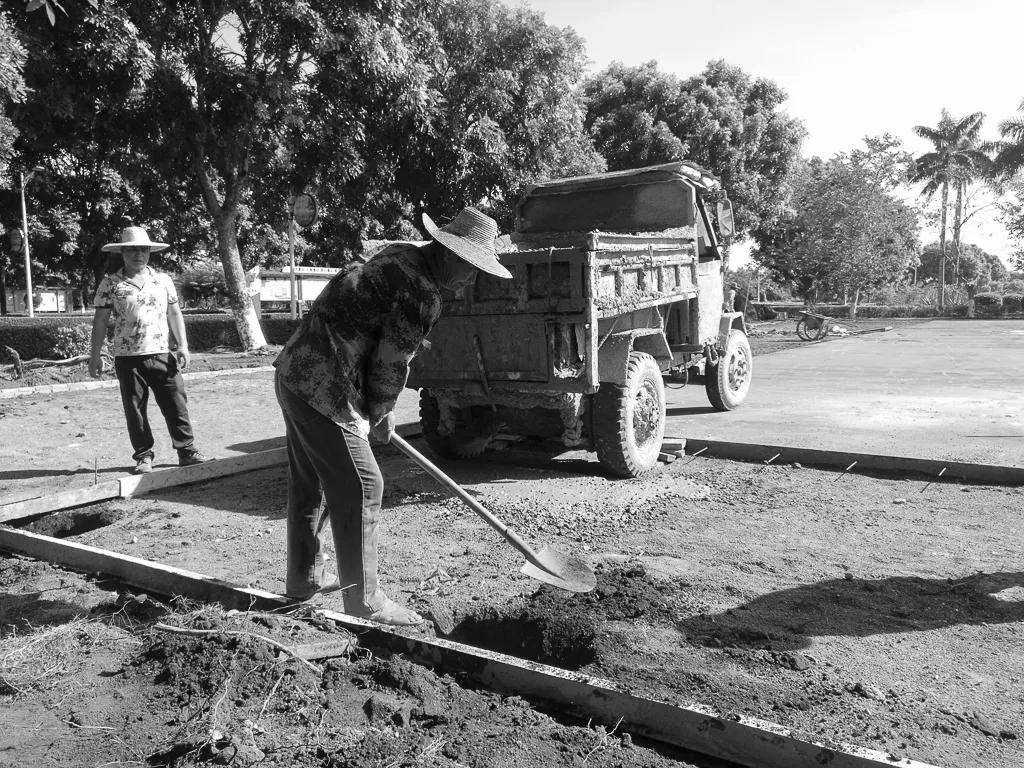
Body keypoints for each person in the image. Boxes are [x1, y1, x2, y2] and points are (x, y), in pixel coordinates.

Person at [274, 206, 511, 625]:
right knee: (365, 483)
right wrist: (383, 411)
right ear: (453, 256)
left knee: (312, 483)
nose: (471, 278)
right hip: (324, 386)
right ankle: (366, 601)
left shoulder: (401, 254)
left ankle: (305, 580)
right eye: (472, 268)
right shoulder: (423, 292)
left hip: (295, 370)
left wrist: (376, 410)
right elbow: (390, 360)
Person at [88, 226, 211, 475]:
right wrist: (95, 356)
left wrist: (183, 346)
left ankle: (186, 451)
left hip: (162, 354)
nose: (138, 255)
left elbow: (174, 313)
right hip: (128, 358)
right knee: (135, 409)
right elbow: (100, 321)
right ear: (122, 253)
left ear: (149, 253)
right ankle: (144, 456)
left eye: (143, 250)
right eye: (132, 250)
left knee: (176, 402)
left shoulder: (162, 281)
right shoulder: (110, 284)